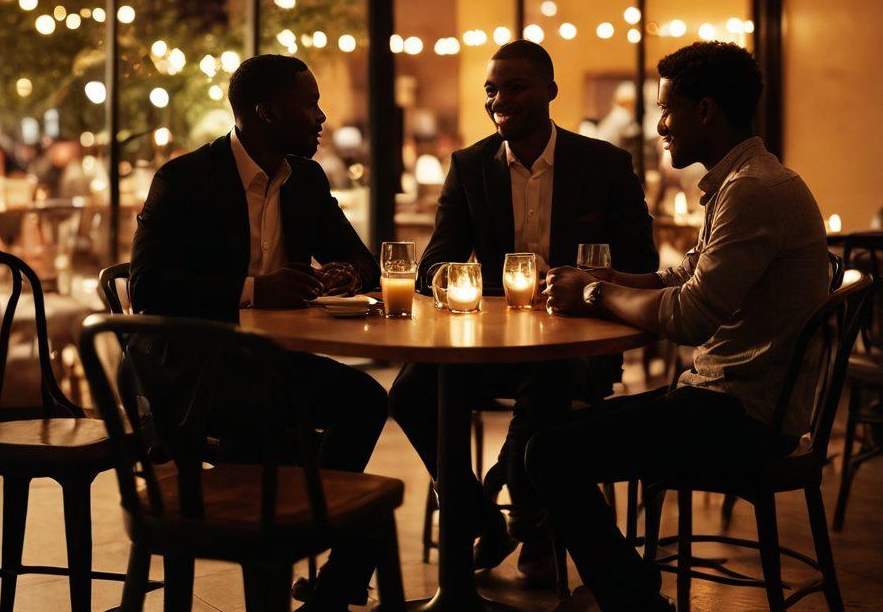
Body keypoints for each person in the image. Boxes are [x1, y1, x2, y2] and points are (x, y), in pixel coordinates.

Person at [532, 41, 829, 612]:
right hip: (728, 402)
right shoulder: (744, 180)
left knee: (549, 453)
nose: (660, 125)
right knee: (556, 426)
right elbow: (684, 275)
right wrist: (610, 276)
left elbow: (689, 316)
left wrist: (595, 292)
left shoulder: (754, 191)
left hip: (745, 419)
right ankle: (621, 584)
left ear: (707, 111)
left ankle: (634, 600)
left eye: (668, 110)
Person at [388, 39, 658, 582]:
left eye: (515, 87)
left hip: (577, 346)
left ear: (550, 91)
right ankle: (488, 517)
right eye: (491, 89)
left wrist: (588, 285)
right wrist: (449, 280)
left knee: (548, 389)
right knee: (410, 391)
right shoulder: (469, 167)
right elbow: (434, 264)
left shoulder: (604, 165)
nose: (499, 99)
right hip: (493, 346)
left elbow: (642, 263)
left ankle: (528, 514)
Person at [130, 54, 386, 612]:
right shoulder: (184, 179)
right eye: (310, 103)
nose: (322, 116)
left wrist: (345, 273)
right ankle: (314, 537)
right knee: (292, 442)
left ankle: (326, 566)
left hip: (265, 363)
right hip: (193, 372)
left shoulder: (306, 180)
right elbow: (146, 287)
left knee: (366, 398)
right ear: (268, 113)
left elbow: (360, 259)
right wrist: (252, 289)